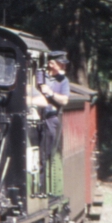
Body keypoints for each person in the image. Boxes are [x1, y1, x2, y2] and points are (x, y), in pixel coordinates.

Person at [38, 53, 70, 190]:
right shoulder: (39, 75)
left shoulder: (63, 80)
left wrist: (51, 93)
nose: (64, 66)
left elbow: (65, 100)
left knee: (45, 152)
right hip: (34, 116)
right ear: (51, 63)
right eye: (60, 63)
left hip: (50, 118)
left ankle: (42, 185)